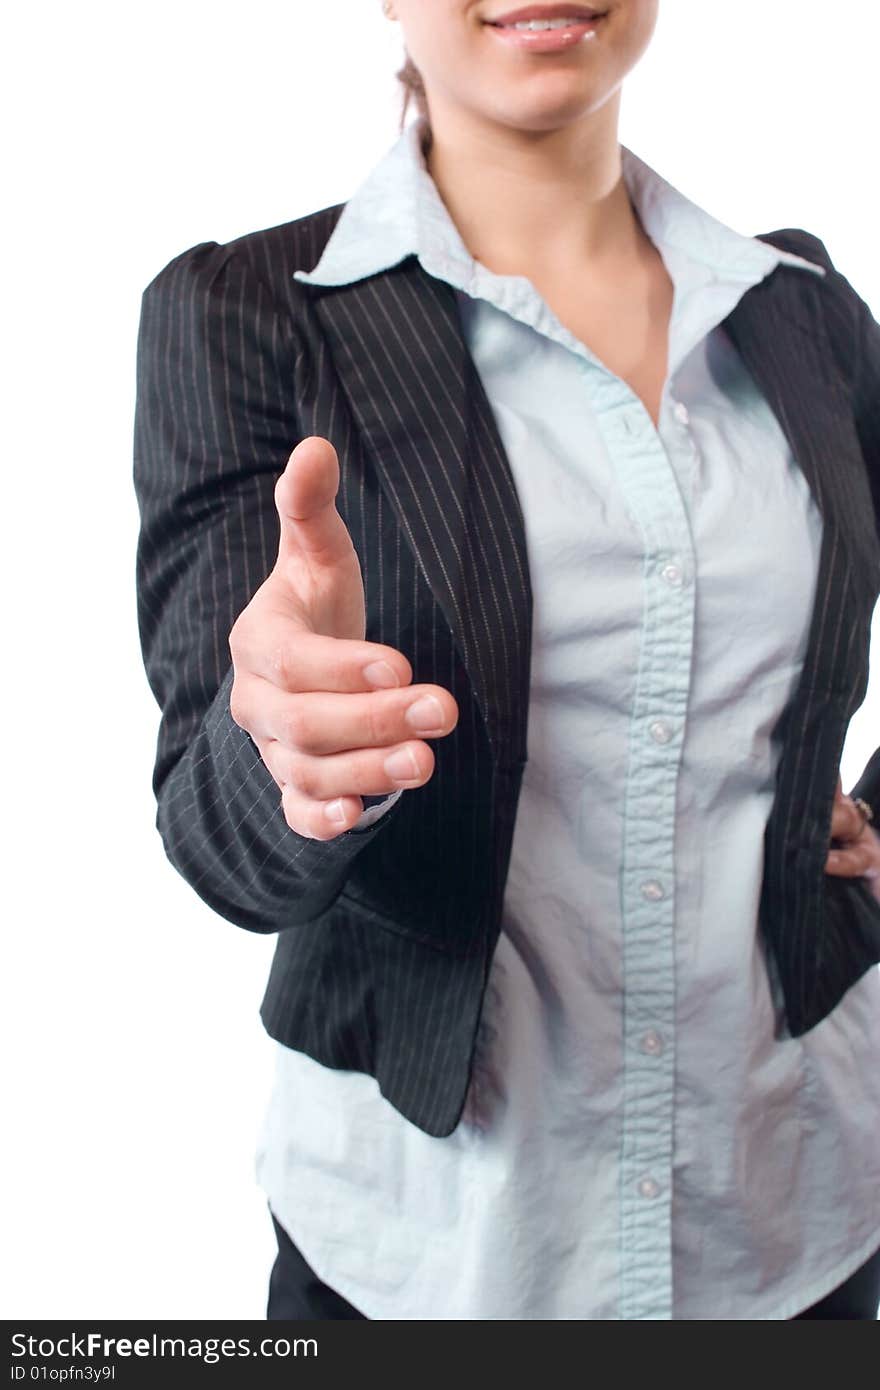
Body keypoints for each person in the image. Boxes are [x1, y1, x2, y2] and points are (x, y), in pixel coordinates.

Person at [132, 0, 880, 1320]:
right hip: (429, 1248)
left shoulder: (803, 312)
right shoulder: (244, 314)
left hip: (791, 1213)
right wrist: (290, 754)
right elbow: (217, 834)